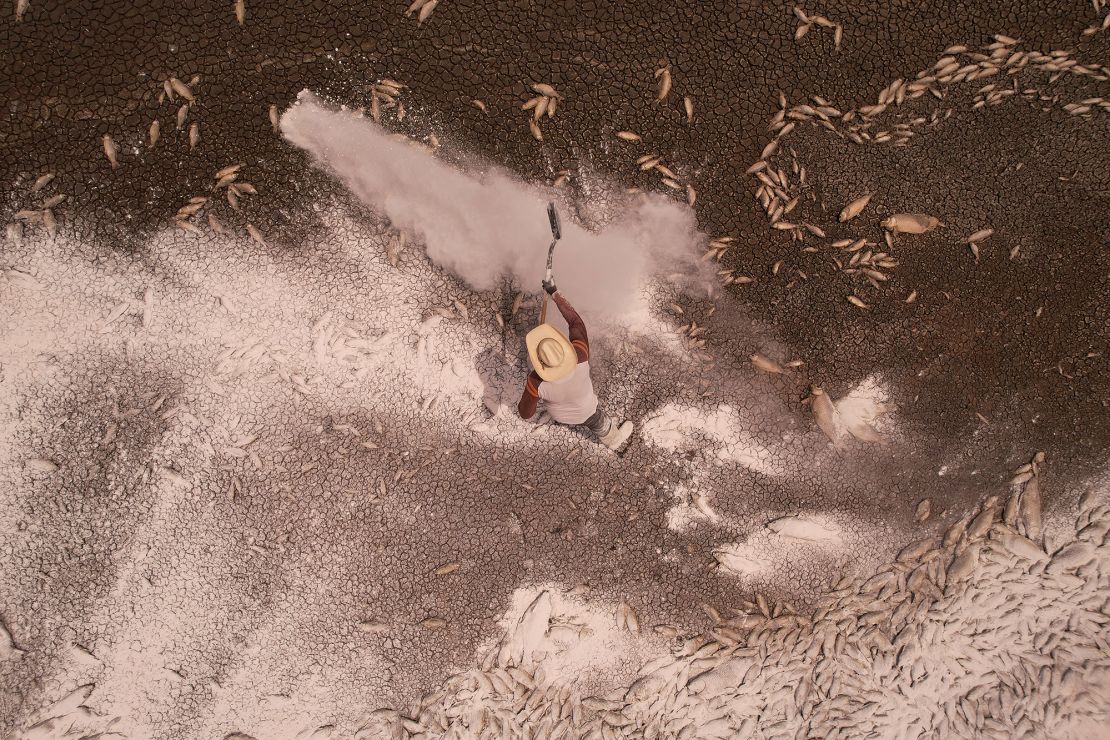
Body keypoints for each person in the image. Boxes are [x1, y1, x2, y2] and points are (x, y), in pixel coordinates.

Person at [517, 279, 634, 451]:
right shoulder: (579, 356)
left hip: (560, 416)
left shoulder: (536, 381)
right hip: (587, 412)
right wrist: (555, 293)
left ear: (540, 363)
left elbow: (525, 414)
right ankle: (613, 439)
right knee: (598, 421)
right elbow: (575, 322)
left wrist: (532, 388)